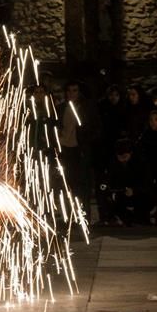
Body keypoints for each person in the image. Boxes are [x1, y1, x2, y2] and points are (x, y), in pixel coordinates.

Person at [58, 81, 95, 216]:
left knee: (82, 183)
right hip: (65, 148)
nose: (71, 94)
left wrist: (87, 140)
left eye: (74, 91)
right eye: (69, 91)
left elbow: (94, 126)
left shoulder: (86, 108)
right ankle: (69, 214)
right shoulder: (61, 108)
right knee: (68, 182)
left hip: (80, 149)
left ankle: (84, 214)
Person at [101, 139, 148, 226]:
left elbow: (146, 182)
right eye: (120, 157)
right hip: (121, 193)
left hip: (138, 193)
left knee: (144, 199)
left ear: (130, 154)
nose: (123, 160)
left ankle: (140, 218)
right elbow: (108, 180)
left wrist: (134, 190)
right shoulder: (113, 163)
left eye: (125, 157)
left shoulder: (140, 163)